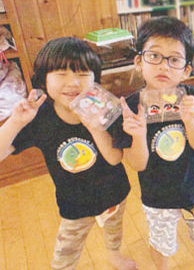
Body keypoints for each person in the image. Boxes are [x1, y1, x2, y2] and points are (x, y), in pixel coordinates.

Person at [0, 37, 136, 270]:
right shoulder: (40, 116)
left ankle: (114, 255)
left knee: (114, 231)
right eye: (61, 74)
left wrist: (95, 127)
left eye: (83, 73)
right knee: (65, 255)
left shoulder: (104, 107)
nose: (73, 82)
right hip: (74, 204)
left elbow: (115, 158)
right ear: (44, 78)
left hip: (114, 193)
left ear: (95, 79)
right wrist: (16, 122)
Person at [113, 16, 194, 270]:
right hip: (157, 195)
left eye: (174, 59)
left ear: (186, 70)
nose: (163, 66)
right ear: (138, 61)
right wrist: (138, 134)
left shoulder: (192, 96)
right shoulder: (131, 107)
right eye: (154, 56)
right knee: (161, 242)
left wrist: (190, 121)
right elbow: (137, 164)